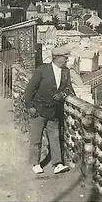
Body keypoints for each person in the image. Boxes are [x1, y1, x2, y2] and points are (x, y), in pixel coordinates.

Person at [25, 47, 74, 175]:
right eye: (65, 57)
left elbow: (69, 88)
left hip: (54, 111)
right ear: (57, 58)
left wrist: (62, 94)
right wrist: (30, 106)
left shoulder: (66, 71)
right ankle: (36, 163)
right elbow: (30, 89)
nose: (67, 59)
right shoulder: (42, 70)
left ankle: (57, 164)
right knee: (36, 138)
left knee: (54, 136)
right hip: (39, 109)